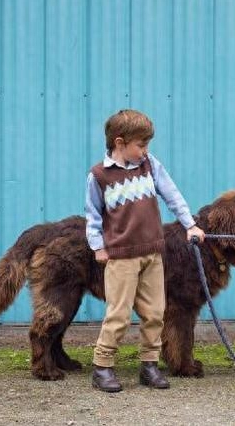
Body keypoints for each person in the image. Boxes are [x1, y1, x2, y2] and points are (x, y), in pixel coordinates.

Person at [85, 109, 205, 392]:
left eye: (147, 145)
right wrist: (97, 246)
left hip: (153, 253)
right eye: (141, 145)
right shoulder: (99, 176)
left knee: (155, 313)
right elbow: (93, 215)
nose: (145, 150)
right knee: (119, 314)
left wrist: (190, 224)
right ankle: (102, 367)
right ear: (119, 142)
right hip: (121, 257)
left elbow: (172, 194)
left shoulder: (150, 165)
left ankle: (149, 365)